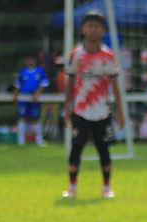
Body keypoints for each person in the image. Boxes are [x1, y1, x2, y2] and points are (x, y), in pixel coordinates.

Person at [63, 11, 125, 199]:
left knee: (103, 148)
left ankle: (107, 187)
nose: (93, 30)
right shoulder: (76, 54)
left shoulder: (108, 55)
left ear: (102, 30)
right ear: (83, 29)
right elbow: (70, 83)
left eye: (97, 26)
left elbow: (115, 85)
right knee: (77, 147)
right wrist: (66, 108)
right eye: (89, 26)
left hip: (102, 112)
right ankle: (72, 187)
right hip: (80, 111)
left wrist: (120, 111)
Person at [12, 54, 50, 146]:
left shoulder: (39, 71)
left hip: (34, 99)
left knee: (35, 118)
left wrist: (37, 93)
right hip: (24, 98)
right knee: (23, 117)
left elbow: (44, 83)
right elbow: (18, 84)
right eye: (28, 59)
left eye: (31, 59)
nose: (30, 61)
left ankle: (39, 140)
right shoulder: (23, 72)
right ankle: (21, 141)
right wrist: (15, 94)